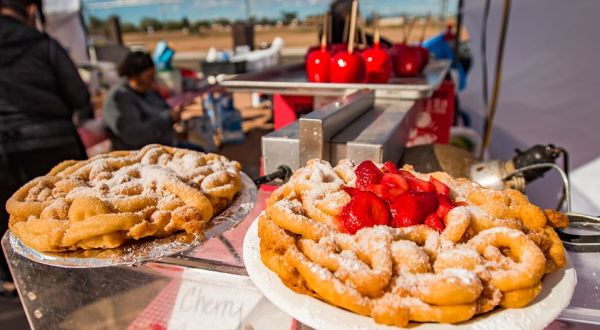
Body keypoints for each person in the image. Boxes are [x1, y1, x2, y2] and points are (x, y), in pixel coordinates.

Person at [0, 0, 92, 296]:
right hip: (51, 146)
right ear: (29, 9)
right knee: (68, 219)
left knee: (9, 226)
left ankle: (18, 282)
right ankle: (77, 283)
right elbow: (79, 97)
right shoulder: (43, 45)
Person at [103, 51, 184, 150]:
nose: (153, 81)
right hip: (137, 155)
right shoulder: (120, 98)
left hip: (165, 147)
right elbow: (134, 135)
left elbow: (164, 109)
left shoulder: (148, 92)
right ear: (134, 76)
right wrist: (169, 117)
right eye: (149, 77)